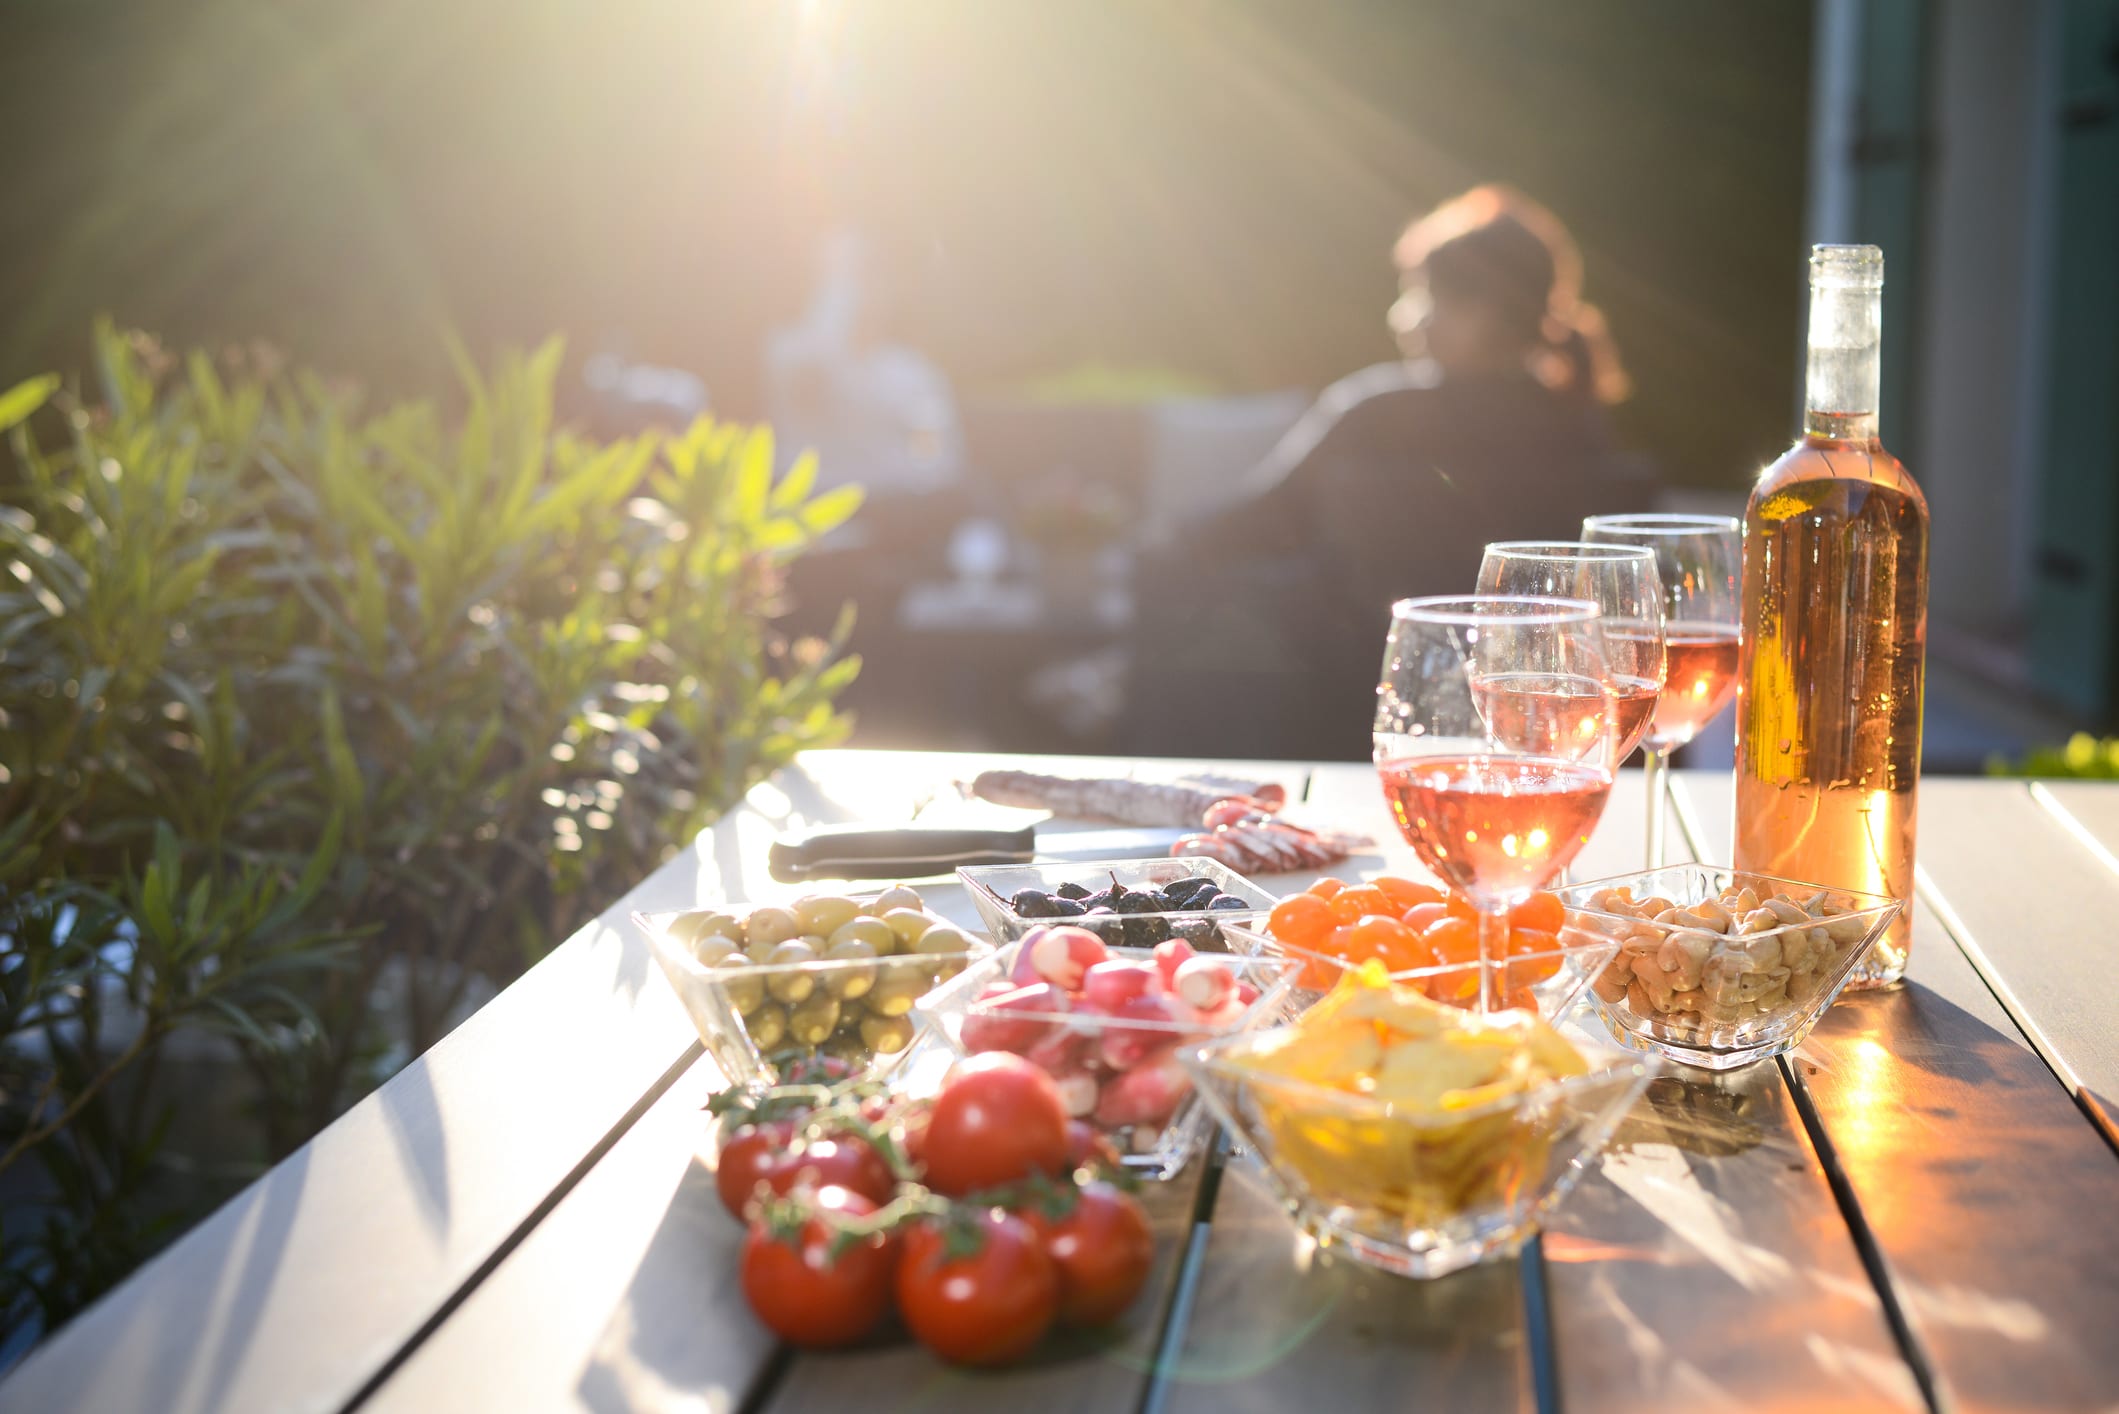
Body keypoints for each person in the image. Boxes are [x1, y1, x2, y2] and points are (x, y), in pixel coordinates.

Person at [1125, 184, 1651, 760]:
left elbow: (1243, 528)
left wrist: (1152, 545)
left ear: (1479, 312)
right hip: (1546, 736)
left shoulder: (1378, 416)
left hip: (1357, 718)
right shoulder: (1582, 429)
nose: (1403, 319)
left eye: (1423, 297)